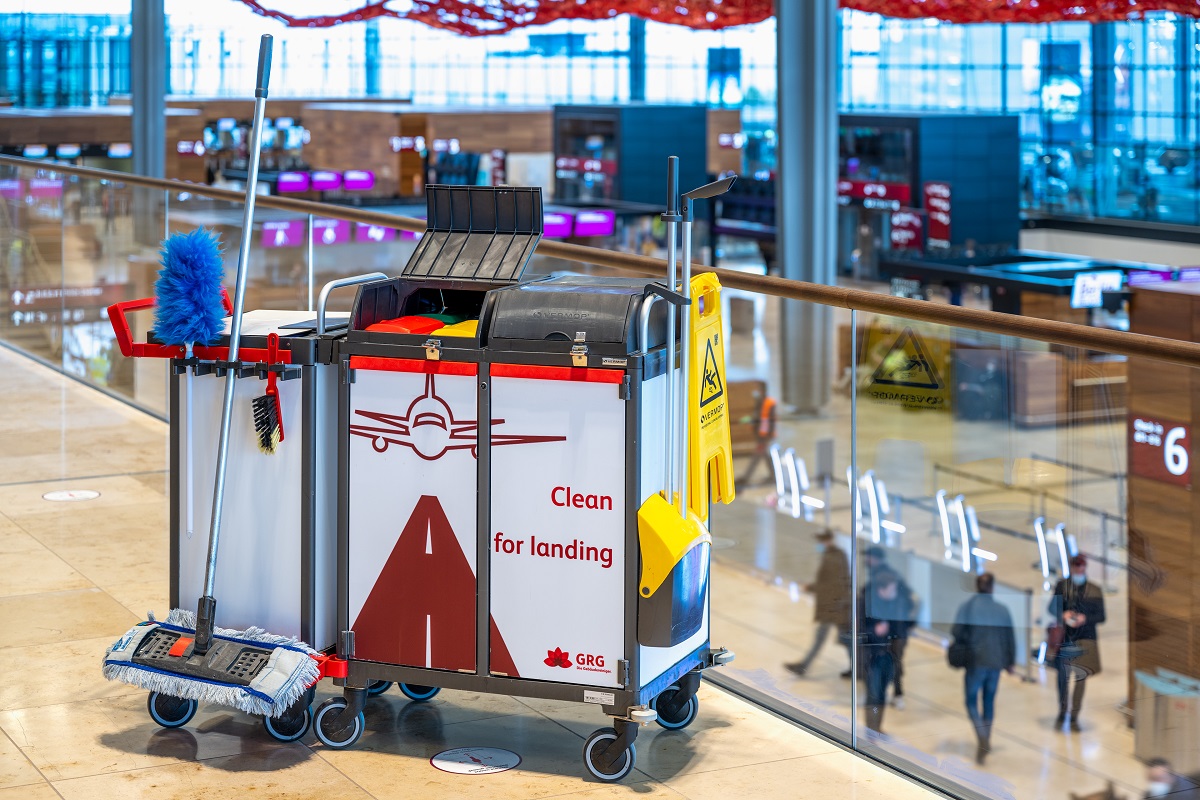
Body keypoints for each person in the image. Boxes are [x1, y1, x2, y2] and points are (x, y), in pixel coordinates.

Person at [950, 572, 1015, 765]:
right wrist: (1009, 662)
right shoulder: (1002, 610)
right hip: (995, 662)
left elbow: (956, 632)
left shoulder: (968, 607)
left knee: (971, 701)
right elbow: (1009, 638)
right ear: (993, 587)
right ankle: (986, 736)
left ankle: (982, 737)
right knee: (988, 701)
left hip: (976, 662)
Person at [1049, 553, 1106, 732]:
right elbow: (1051, 607)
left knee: (1080, 678)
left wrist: (1085, 618)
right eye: (1075, 567)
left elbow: (1101, 616)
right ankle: (1062, 710)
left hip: (1085, 638)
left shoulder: (1094, 590)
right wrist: (1062, 614)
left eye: (1080, 567)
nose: (1078, 570)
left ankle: (1074, 716)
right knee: (1062, 678)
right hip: (1066, 638)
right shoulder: (1061, 586)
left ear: (1084, 568)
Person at [785, 530, 851, 678]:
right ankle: (858, 668)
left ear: (827, 541)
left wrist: (811, 587)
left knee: (837, 638)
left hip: (834, 606)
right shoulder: (835, 555)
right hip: (837, 605)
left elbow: (832, 584)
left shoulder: (833, 558)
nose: (819, 544)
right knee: (845, 639)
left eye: (821, 541)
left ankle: (803, 666)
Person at [864, 546, 916, 708]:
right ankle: (886, 692)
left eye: (869, 557)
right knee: (888, 661)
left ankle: (897, 693)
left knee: (894, 661)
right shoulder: (876, 576)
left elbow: (907, 602)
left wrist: (901, 624)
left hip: (895, 632)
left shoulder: (886, 578)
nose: (866, 560)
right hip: (891, 632)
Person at [861, 568, 907, 734]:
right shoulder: (867, 605)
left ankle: (877, 726)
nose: (895, 592)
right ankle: (871, 728)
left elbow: (900, 630)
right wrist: (875, 631)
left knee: (881, 694)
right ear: (882, 590)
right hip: (871, 658)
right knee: (874, 695)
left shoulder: (894, 605)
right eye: (892, 589)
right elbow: (858, 630)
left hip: (888, 657)